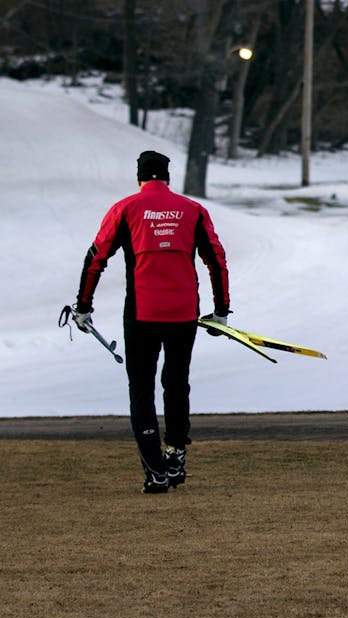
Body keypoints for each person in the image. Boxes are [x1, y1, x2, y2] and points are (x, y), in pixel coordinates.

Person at [72, 150, 231, 494]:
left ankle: (155, 470)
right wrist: (221, 309)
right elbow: (216, 260)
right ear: (168, 178)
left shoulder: (126, 209)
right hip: (184, 311)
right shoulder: (193, 210)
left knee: (142, 389)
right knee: (176, 382)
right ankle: (175, 454)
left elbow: (95, 258)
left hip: (143, 312)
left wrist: (83, 306)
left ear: (139, 177)